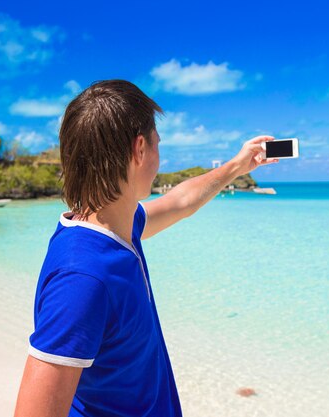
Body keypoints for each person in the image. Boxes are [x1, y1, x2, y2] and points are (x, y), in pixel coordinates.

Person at [14, 80, 278, 417]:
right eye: (157, 144)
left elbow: (179, 201)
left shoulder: (118, 227)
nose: (158, 155)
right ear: (140, 149)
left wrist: (238, 165)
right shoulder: (82, 277)